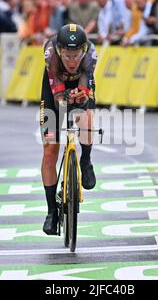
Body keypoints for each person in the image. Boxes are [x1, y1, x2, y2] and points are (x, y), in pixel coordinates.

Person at [40, 24, 97, 235]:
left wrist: (81, 94)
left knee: (86, 118)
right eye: (67, 56)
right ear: (58, 52)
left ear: (83, 51)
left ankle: (86, 159)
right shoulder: (50, 54)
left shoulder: (91, 55)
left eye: (76, 55)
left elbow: (85, 83)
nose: (72, 61)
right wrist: (64, 99)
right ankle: (51, 212)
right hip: (55, 88)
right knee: (49, 152)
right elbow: (56, 94)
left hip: (80, 82)